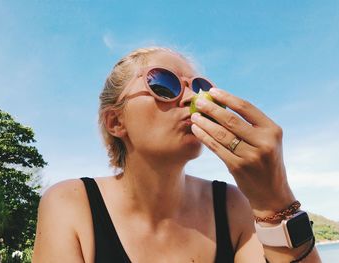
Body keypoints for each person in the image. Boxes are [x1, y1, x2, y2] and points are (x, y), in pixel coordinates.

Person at [32, 47, 322, 262]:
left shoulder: (234, 206)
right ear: (116, 122)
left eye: (201, 89)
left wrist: (275, 202)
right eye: (164, 85)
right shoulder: (70, 204)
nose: (192, 100)